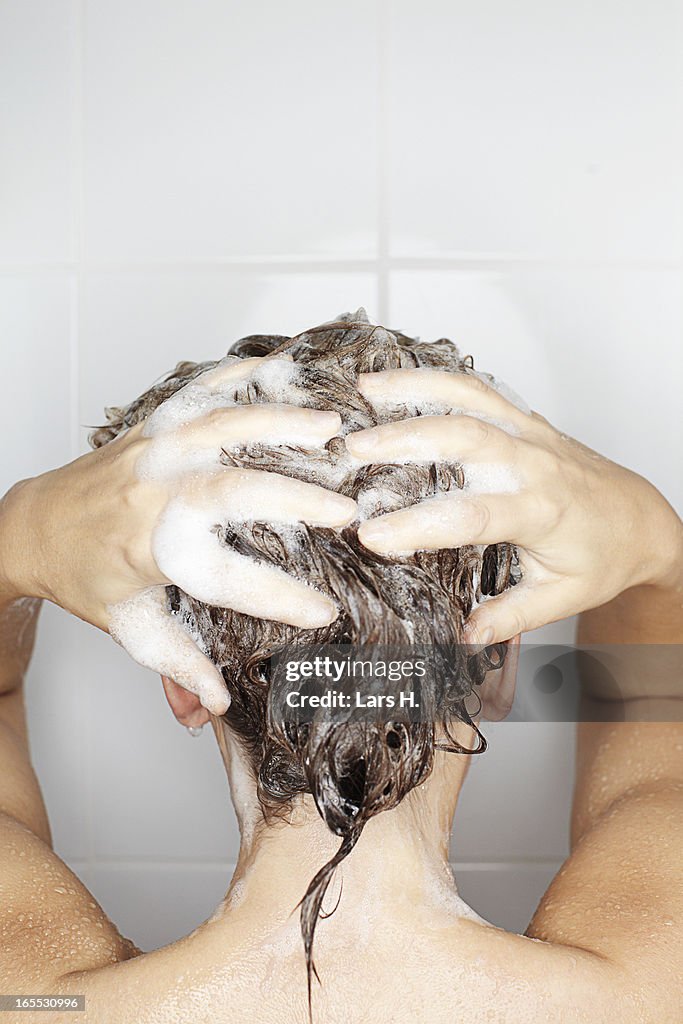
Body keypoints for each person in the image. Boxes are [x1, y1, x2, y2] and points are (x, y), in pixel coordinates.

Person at [0, 313, 681, 1023]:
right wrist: (657, 544)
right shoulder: (647, 989)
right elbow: (662, 705)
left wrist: (18, 531)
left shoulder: (35, 1002)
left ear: (181, 677)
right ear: (496, 668)